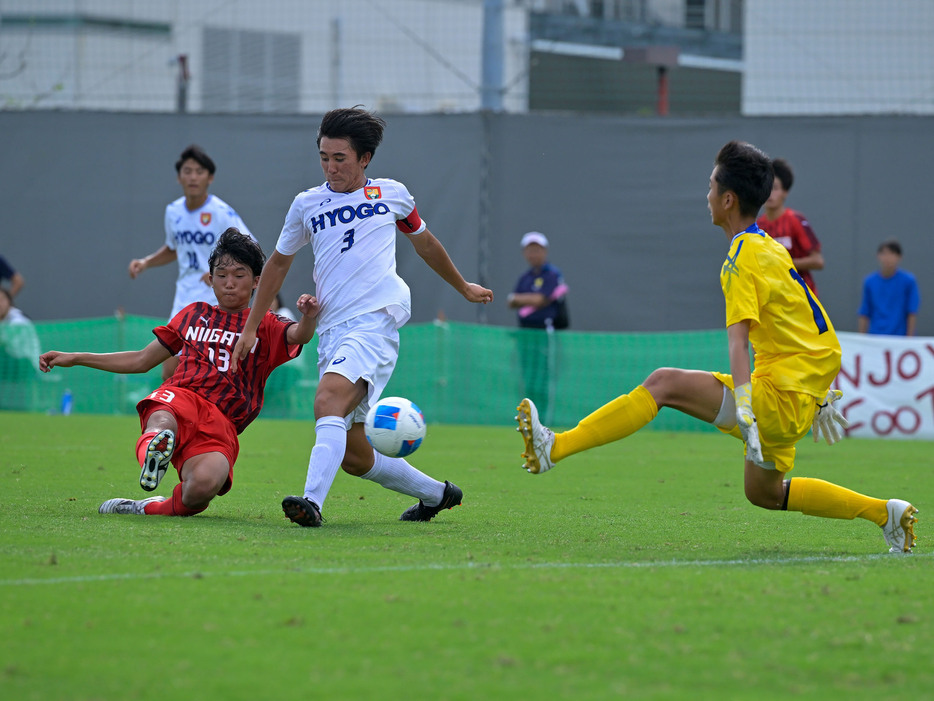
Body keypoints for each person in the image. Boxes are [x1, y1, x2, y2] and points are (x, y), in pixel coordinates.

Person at [516, 140, 918, 554]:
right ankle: (885, 514)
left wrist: (746, 405)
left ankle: (556, 447)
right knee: (764, 493)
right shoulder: (770, 247)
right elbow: (817, 325)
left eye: (710, 186)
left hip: (775, 399)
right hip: (791, 398)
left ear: (728, 199)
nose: (705, 195)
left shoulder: (742, 256)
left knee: (663, 383)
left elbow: (738, 340)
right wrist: (818, 395)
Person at [230, 106, 494, 527]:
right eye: (324, 157)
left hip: (375, 321)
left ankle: (311, 502)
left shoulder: (392, 194)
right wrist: (249, 328)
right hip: (333, 331)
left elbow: (425, 244)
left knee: (326, 402)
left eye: (340, 158)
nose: (330, 167)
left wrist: (462, 286)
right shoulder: (306, 205)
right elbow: (277, 264)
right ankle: (439, 495)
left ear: (365, 158)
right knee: (355, 456)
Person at [40, 229, 319, 517]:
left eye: (239, 275)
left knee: (202, 488)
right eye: (221, 275)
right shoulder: (193, 314)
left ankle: (147, 507)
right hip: (181, 396)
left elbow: (300, 335)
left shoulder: (265, 323)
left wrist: (309, 316)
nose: (230, 283)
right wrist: (75, 357)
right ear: (210, 280)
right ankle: (154, 448)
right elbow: (140, 359)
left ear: (257, 281)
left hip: (223, 422)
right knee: (162, 417)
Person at [128, 144, 255, 381]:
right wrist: (146, 262)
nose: (193, 177)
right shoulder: (173, 211)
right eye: (187, 171)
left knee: (212, 371)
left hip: (213, 299)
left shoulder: (220, 212)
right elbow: (174, 248)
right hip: (184, 300)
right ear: (179, 178)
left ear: (210, 177)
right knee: (170, 370)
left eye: (199, 171)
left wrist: (219, 274)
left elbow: (249, 247)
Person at [507, 231, 569, 419]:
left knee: (544, 376)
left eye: (537, 249)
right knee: (528, 376)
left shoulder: (552, 274)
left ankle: (545, 417)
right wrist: (523, 299)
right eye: (530, 250)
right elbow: (510, 301)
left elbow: (542, 299)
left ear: (545, 251)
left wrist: (521, 299)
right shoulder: (525, 278)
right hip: (525, 334)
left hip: (545, 334)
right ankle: (530, 417)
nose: (533, 254)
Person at [756, 158, 824, 296]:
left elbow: (818, 261)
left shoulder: (795, 220)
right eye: (765, 187)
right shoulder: (757, 226)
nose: (770, 193)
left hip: (801, 298)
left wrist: (783, 263)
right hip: (774, 299)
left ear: (785, 192)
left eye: (774, 188)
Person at [857, 239, 920, 336]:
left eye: (892, 254)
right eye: (884, 254)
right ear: (878, 256)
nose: (887, 258)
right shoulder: (869, 281)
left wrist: (909, 340)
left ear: (899, 257)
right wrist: (861, 340)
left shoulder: (909, 281)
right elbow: (864, 312)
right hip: (875, 336)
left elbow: (911, 312)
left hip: (899, 338)